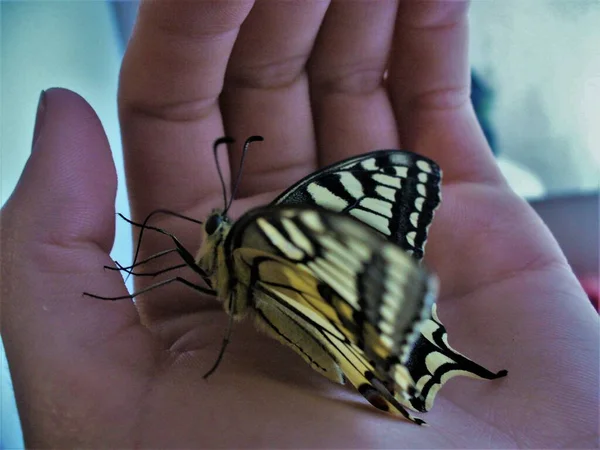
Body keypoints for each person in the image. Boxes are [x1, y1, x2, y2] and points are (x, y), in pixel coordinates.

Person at [1, 2, 597, 448]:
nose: (212, 229)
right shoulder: (257, 248)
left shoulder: (257, 247)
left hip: (355, 339)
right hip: (354, 336)